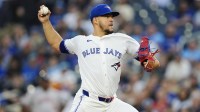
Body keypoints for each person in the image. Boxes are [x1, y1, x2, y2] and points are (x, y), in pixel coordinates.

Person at [38, 4, 160, 112]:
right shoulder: (81, 41)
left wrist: (151, 62)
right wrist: (45, 22)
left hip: (112, 103)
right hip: (89, 102)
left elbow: (153, 63)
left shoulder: (122, 40)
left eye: (112, 17)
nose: (111, 19)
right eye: (107, 16)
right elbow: (56, 44)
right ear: (95, 20)